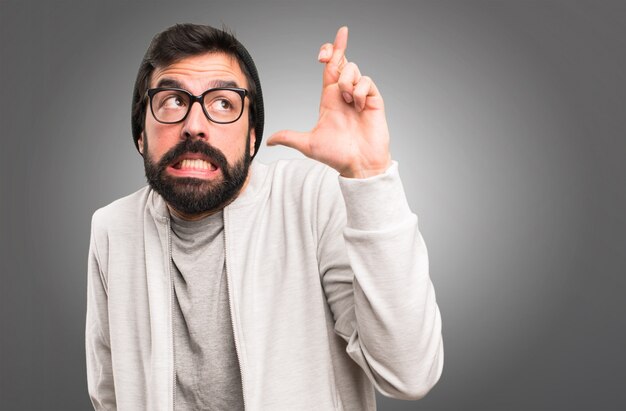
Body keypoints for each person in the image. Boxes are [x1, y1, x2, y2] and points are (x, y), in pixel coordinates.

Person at [86, 23, 443, 411]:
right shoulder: (112, 228)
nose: (194, 126)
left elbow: (409, 375)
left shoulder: (312, 198)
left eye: (223, 103)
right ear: (141, 133)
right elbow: (110, 394)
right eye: (172, 101)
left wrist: (368, 173)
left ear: (252, 136)